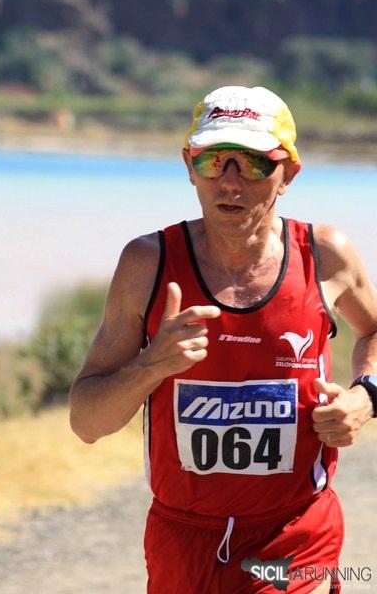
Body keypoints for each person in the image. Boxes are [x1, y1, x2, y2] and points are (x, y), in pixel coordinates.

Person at [69, 85, 377, 594]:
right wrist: (151, 367)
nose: (229, 182)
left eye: (253, 163)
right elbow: (86, 423)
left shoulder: (324, 254)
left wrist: (366, 396)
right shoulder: (147, 263)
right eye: (213, 160)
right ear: (189, 167)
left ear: (288, 174)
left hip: (295, 533)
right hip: (181, 538)